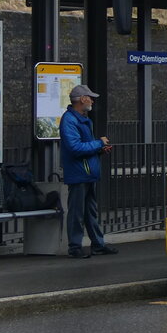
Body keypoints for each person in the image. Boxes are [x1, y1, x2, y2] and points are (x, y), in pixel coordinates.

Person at [59, 83, 118, 258]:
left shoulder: (82, 119)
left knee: (89, 211)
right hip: (79, 173)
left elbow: (83, 146)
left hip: (87, 172)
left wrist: (99, 149)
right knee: (77, 212)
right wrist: (99, 143)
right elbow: (75, 147)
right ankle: (75, 247)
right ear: (82, 99)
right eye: (90, 97)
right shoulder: (69, 120)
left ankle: (97, 244)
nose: (92, 100)